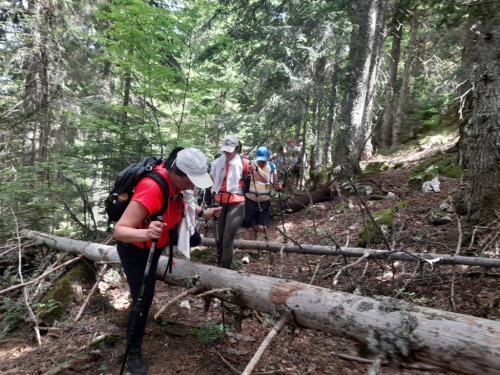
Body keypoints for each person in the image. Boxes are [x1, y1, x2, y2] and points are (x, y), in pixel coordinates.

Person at [114, 147, 221, 375]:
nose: (192, 185)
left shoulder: (178, 183)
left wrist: (204, 214)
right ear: (175, 171)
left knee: (194, 238)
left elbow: (184, 202)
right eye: (190, 180)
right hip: (136, 247)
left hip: (158, 239)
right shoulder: (152, 188)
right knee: (143, 299)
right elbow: (120, 231)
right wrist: (146, 234)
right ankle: (132, 353)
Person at [211, 135, 266, 268]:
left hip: (237, 203)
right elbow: (210, 178)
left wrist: (256, 169)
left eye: (230, 150)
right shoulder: (218, 163)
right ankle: (220, 264)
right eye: (225, 150)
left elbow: (264, 180)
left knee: (227, 239)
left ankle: (225, 270)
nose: (227, 153)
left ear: (237, 149)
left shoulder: (244, 163)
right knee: (218, 240)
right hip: (220, 203)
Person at [241, 146, 282, 244]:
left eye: (264, 160)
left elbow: (275, 184)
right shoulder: (250, 165)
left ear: (268, 157)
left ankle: (255, 239)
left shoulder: (272, 167)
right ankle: (248, 251)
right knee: (249, 228)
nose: (262, 162)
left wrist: (279, 186)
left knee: (262, 228)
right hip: (250, 200)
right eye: (260, 160)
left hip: (264, 201)